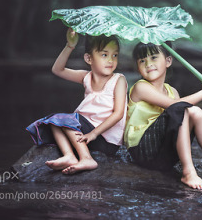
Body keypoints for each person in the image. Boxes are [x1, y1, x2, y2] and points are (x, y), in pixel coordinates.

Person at [124, 42, 202, 190]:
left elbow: (187, 124)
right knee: (182, 108)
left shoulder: (173, 92)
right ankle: (188, 172)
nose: (148, 63)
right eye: (142, 60)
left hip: (165, 155)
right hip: (143, 151)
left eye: (154, 57)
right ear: (138, 66)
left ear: (168, 61)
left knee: (193, 111)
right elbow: (175, 107)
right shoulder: (141, 87)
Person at [26, 28, 127, 175]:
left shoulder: (118, 79)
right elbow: (57, 70)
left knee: (64, 119)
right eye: (104, 55)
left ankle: (87, 158)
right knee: (53, 121)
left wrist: (93, 134)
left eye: (115, 55)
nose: (111, 60)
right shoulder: (86, 77)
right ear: (89, 59)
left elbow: (118, 114)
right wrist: (70, 46)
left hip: (105, 139)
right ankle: (69, 156)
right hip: (85, 132)